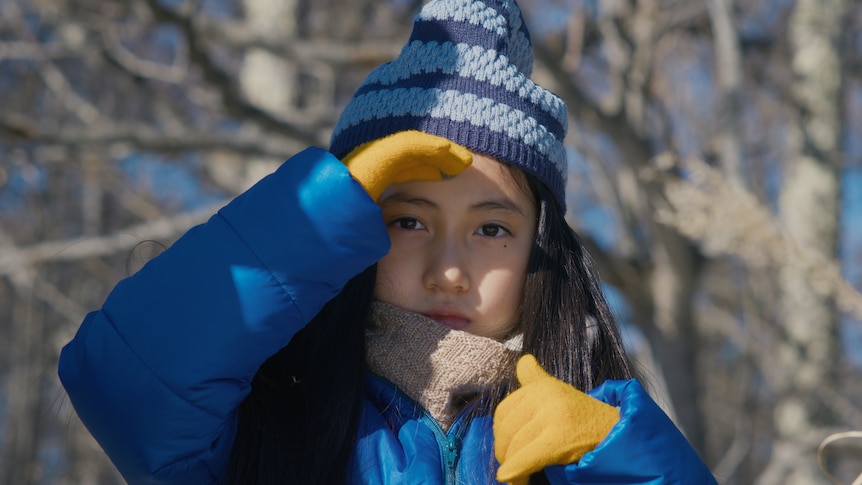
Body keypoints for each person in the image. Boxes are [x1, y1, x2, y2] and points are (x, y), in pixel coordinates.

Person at [58, 0, 719, 484]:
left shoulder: (585, 444)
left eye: (492, 229)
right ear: (351, 233)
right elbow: (122, 381)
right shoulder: (272, 420)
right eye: (408, 220)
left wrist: (623, 463)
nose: (449, 270)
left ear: (541, 252)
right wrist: (316, 212)